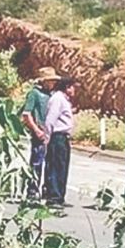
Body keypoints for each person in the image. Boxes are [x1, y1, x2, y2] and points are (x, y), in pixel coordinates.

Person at [19, 67, 60, 203]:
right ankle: (32, 189)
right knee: (37, 162)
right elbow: (27, 114)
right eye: (50, 81)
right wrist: (36, 130)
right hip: (40, 132)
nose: (53, 83)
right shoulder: (35, 94)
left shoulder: (52, 95)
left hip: (50, 133)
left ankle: (46, 189)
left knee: (50, 163)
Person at [43, 77, 77, 211]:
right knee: (55, 166)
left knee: (62, 166)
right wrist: (47, 136)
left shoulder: (63, 100)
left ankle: (60, 196)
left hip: (63, 137)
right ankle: (53, 196)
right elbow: (50, 119)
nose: (74, 90)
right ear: (67, 87)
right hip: (57, 136)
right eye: (72, 87)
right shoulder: (57, 99)